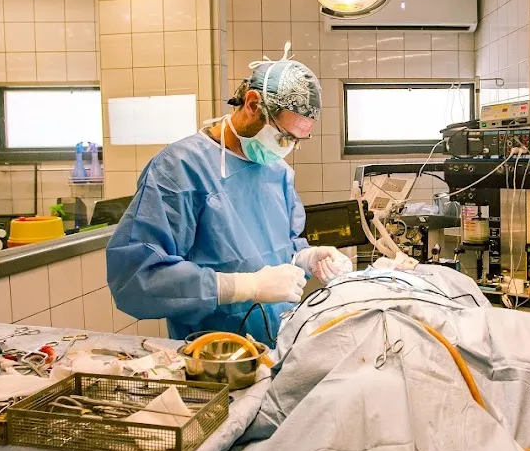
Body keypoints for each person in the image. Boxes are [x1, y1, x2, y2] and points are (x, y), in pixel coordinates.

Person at [107, 51, 352, 344]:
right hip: (214, 352)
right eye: (284, 136)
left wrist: (307, 257)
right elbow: (136, 279)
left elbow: (280, 248)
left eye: (297, 141)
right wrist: (244, 286)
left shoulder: (278, 172)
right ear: (253, 104)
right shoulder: (180, 168)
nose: (288, 148)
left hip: (278, 343)